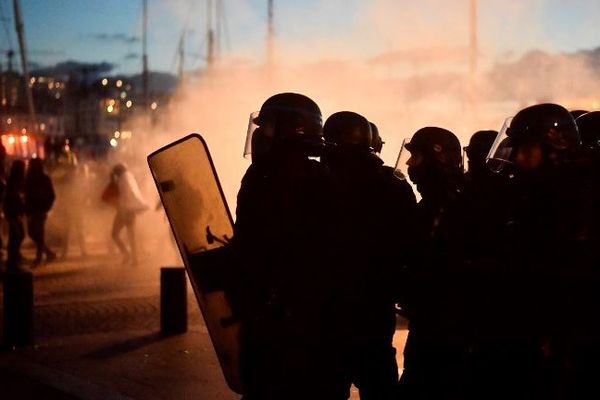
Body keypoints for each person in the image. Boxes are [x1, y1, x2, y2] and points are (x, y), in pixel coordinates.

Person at [232, 92, 345, 400]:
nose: (259, 134)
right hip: (270, 313)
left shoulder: (311, 178)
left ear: (291, 129)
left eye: (266, 126)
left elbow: (320, 253)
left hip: (293, 320)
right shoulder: (262, 175)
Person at [482, 103, 595, 399]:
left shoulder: (579, 195)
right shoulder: (537, 192)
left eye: (526, 148)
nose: (518, 158)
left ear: (552, 143)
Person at [321, 112, 416, 400]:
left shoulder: (321, 182)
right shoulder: (394, 185)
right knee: (378, 381)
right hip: (376, 304)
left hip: (330, 306)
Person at [397, 126, 471, 399]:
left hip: (442, 330)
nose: (408, 163)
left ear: (434, 158)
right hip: (433, 324)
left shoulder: (448, 206)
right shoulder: (441, 203)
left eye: (416, 156)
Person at [108, 163, 148, 265]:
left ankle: (127, 254)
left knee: (115, 234)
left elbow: (123, 195)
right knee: (131, 235)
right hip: (131, 210)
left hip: (124, 210)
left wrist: (113, 180)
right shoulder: (129, 177)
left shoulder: (122, 179)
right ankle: (134, 259)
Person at [24, 158, 56, 267]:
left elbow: (51, 195)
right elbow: (26, 194)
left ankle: (38, 259)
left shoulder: (44, 178)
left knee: (38, 234)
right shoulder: (28, 178)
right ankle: (48, 253)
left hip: (40, 210)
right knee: (32, 233)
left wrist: (46, 207)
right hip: (32, 210)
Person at [4, 160, 26, 272]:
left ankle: (15, 256)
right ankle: (12, 260)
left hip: (14, 212)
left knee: (19, 234)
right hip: (12, 212)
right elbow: (13, 197)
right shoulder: (14, 180)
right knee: (16, 236)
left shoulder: (17, 180)